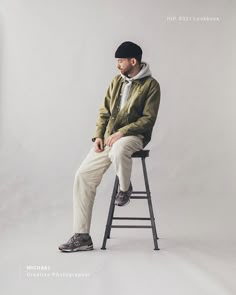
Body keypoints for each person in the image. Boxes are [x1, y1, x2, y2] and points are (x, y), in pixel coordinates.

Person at [58, 41, 161, 252]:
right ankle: (82, 236)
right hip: (108, 138)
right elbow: (104, 111)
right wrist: (98, 136)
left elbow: (148, 119)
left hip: (133, 136)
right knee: (83, 175)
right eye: (117, 61)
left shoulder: (151, 86)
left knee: (119, 149)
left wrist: (123, 131)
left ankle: (125, 188)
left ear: (133, 61)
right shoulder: (116, 82)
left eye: (120, 61)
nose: (117, 65)